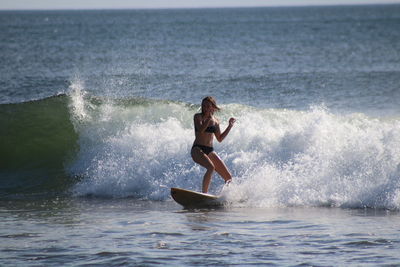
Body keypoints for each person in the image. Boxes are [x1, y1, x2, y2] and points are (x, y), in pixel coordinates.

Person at [191, 96, 236, 193]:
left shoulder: (216, 121)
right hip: (197, 149)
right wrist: (208, 119)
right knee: (210, 168)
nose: (205, 108)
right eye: (203, 106)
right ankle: (204, 194)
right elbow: (201, 130)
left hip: (210, 151)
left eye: (208, 106)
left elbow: (219, 139)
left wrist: (229, 126)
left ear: (213, 107)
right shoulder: (197, 117)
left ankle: (227, 197)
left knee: (228, 177)